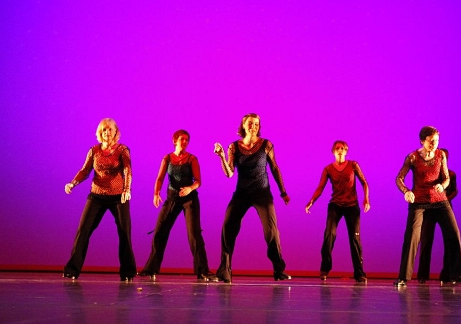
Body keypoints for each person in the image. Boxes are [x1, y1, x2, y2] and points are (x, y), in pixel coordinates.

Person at [213, 113, 291, 283]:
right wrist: (221, 156)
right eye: (250, 123)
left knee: (271, 232)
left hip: (262, 193)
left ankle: (279, 270)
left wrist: (283, 192)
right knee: (228, 227)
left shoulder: (266, 145)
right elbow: (229, 173)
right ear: (243, 125)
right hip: (242, 193)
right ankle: (224, 271)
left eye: (256, 124)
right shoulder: (234, 147)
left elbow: (275, 168)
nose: (253, 126)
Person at [63, 118, 137, 281]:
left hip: (118, 197)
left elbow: (127, 170)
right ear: (100, 133)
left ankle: (128, 272)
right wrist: (72, 183)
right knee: (83, 230)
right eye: (104, 130)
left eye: (110, 129)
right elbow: (85, 170)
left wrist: (127, 189)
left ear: (115, 132)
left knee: (124, 232)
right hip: (97, 195)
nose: (107, 132)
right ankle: (72, 269)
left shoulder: (122, 150)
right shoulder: (94, 150)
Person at [138, 130, 217, 281]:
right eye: (182, 139)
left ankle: (203, 271)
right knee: (160, 231)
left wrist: (190, 188)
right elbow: (160, 178)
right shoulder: (167, 158)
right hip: (172, 198)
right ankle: (151, 268)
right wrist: (156, 193)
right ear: (175, 140)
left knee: (194, 234)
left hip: (189, 199)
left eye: (187, 140)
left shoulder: (192, 159)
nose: (185, 142)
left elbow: (198, 181)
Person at [394, 126, 461, 287]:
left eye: (436, 141)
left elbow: (446, 178)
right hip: (419, 202)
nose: (434, 144)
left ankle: (457, 274)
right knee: (412, 237)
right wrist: (406, 191)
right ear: (422, 141)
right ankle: (403, 277)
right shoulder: (413, 157)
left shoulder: (441, 155)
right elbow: (399, 178)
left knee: (454, 233)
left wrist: (442, 185)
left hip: (440, 201)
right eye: (431, 141)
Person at [305, 140, 370, 283]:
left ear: (346, 151)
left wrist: (366, 199)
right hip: (336, 205)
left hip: (352, 206)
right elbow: (320, 187)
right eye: (337, 148)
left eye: (342, 148)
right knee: (329, 234)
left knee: (355, 239)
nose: (340, 150)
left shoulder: (353, 165)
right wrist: (311, 201)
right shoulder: (328, 169)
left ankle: (359, 273)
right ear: (333, 151)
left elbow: (364, 182)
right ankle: (325, 268)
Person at [415, 148, 457, 283]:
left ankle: (448, 274)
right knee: (426, 241)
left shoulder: (450, 174)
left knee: (449, 240)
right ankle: (423, 275)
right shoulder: (430, 172)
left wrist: (444, 198)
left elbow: (455, 191)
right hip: (429, 208)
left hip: (444, 207)